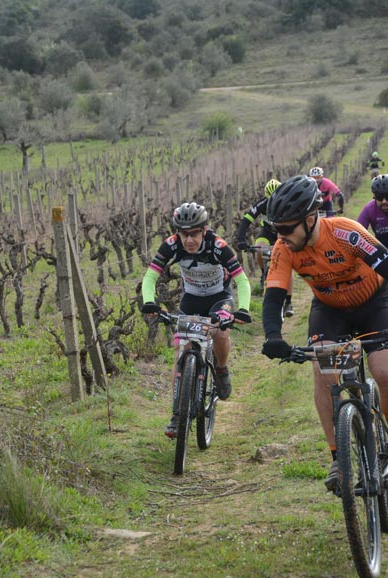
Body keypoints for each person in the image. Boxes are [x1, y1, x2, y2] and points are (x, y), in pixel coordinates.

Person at [261, 175, 388, 491]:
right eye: (276, 229)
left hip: (374, 303)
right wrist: (273, 335)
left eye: (286, 228)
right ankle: (338, 457)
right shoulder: (284, 247)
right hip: (330, 310)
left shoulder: (346, 232)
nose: (281, 236)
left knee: (383, 370)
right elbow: (274, 296)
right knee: (323, 371)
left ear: (309, 219)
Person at [141, 201, 252, 437]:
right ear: (178, 233)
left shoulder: (218, 246)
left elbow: (242, 281)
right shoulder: (171, 245)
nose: (189, 240)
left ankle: (221, 369)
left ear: (204, 230)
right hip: (191, 299)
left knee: (220, 332)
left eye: (194, 234)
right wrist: (149, 301)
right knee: (181, 351)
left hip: (219, 298)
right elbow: (150, 276)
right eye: (184, 234)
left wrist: (243, 309)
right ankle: (177, 414)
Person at [237, 178, 294, 317]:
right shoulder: (262, 204)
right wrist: (241, 240)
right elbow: (246, 220)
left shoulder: (288, 202)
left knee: (287, 266)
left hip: (282, 232)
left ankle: (288, 301)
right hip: (267, 232)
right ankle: (264, 273)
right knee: (259, 249)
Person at [357, 174, 388, 246]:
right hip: (382, 248)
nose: (384, 201)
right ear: (374, 197)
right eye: (379, 197)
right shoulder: (369, 209)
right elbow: (357, 233)